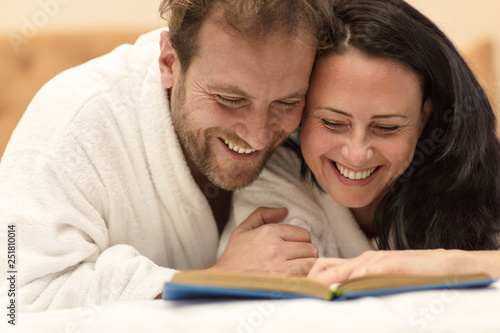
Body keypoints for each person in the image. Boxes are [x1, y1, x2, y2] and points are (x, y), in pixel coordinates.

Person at [0, 0, 333, 311]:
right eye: (230, 99)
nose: (258, 135)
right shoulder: (70, 125)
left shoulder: (318, 119)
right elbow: (17, 298)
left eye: (286, 103)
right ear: (169, 62)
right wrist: (212, 281)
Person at [218, 0, 500, 285]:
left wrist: (446, 263)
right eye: (332, 122)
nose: (356, 154)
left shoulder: (473, 176)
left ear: (424, 118)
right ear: (300, 111)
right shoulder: (274, 174)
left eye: (386, 127)